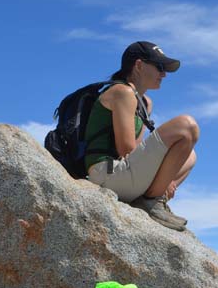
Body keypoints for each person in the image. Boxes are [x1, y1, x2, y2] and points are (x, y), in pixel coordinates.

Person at [83, 41, 199, 231]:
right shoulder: (122, 92)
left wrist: (164, 178)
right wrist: (162, 176)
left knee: (190, 155)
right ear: (138, 65)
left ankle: (152, 198)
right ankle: (151, 199)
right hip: (106, 170)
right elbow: (126, 150)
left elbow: (135, 151)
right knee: (186, 126)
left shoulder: (145, 102)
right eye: (159, 67)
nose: (164, 74)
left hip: (124, 172)